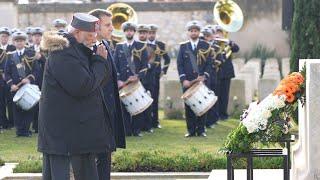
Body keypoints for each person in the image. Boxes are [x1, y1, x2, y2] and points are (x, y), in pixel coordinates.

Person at [38, 13, 114, 180]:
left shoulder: (78, 50)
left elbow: (97, 83)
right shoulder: (63, 52)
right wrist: (99, 61)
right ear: (78, 32)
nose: (94, 38)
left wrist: (98, 60)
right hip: (65, 137)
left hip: (79, 133)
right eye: (90, 35)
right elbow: (83, 86)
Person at [88, 9, 126, 180]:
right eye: (108, 25)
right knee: (96, 162)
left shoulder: (106, 45)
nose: (112, 28)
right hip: (96, 114)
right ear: (96, 26)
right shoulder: (89, 49)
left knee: (105, 159)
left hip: (107, 112)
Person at [177, 20, 212, 137]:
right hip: (188, 81)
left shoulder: (206, 46)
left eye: (196, 31)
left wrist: (205, 76)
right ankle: (191, 130)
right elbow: (180, 64)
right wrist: (183, 80)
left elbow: (209, 63)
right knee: (189, 106)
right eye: (191, 31)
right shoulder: (183, 46)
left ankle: (201, 130)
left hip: (201, 80)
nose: (193, 33)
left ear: (199, 32)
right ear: (188, 32)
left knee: (202, 104)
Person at [114, 22, 148, 137]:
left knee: (137, 105)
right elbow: (115, 65)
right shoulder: (119, 46)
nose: (129, 32)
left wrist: (138, 76)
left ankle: (136, 130)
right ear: (124, 32)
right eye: (127, 30)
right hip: (123, 83)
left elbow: (145, 65)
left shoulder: (141, 46)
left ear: (134, 32)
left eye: (131, 30)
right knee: (124, 107)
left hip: (136, 82)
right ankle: (127, 131)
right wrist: (118, 79)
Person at [4, 31, 41, 137]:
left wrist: (29, 79)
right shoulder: (10, 56)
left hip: (28, 86)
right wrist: (11, 85)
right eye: (17, 41)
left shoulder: (30, 53)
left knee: (28, 108)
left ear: (24, 42)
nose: (19, 43)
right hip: (15, 87)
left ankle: (25, 129)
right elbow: (7, 73)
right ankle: (19, 130)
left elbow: (36, 71)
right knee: (16, 109)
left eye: (21, 41)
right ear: (14, 43)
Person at [213, 25, 239, 120]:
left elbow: (236, 49)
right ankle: (215, 115)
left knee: (224, 95)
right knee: (215, 94)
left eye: (219, 32)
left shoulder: (228, 43)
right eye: (216, 32)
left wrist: (228, 42)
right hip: (215, 72)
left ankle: (223, 115)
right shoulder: (212, 43)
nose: (218, 34)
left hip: (226, 72)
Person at [147, 24, 171, 129]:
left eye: (153, 33)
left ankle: (155, 122)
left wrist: (163, 71)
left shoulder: (160, 45)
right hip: (144, 75)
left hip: (156, 76)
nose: (151, 35)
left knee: (155, 98)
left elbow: (167, 59)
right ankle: (145, 122)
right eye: (150, 33)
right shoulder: (142, 44)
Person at [137, 24, 154, 133]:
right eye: (141, 33)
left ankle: (148, 126)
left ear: (148, 34)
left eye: (144, 33)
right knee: (137, 102)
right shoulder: (135, 46)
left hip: (148, 78)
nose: (142, 35)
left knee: (147, 102)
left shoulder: (150, 47)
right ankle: (138, 126)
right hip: (137, 78)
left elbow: (151, 63)